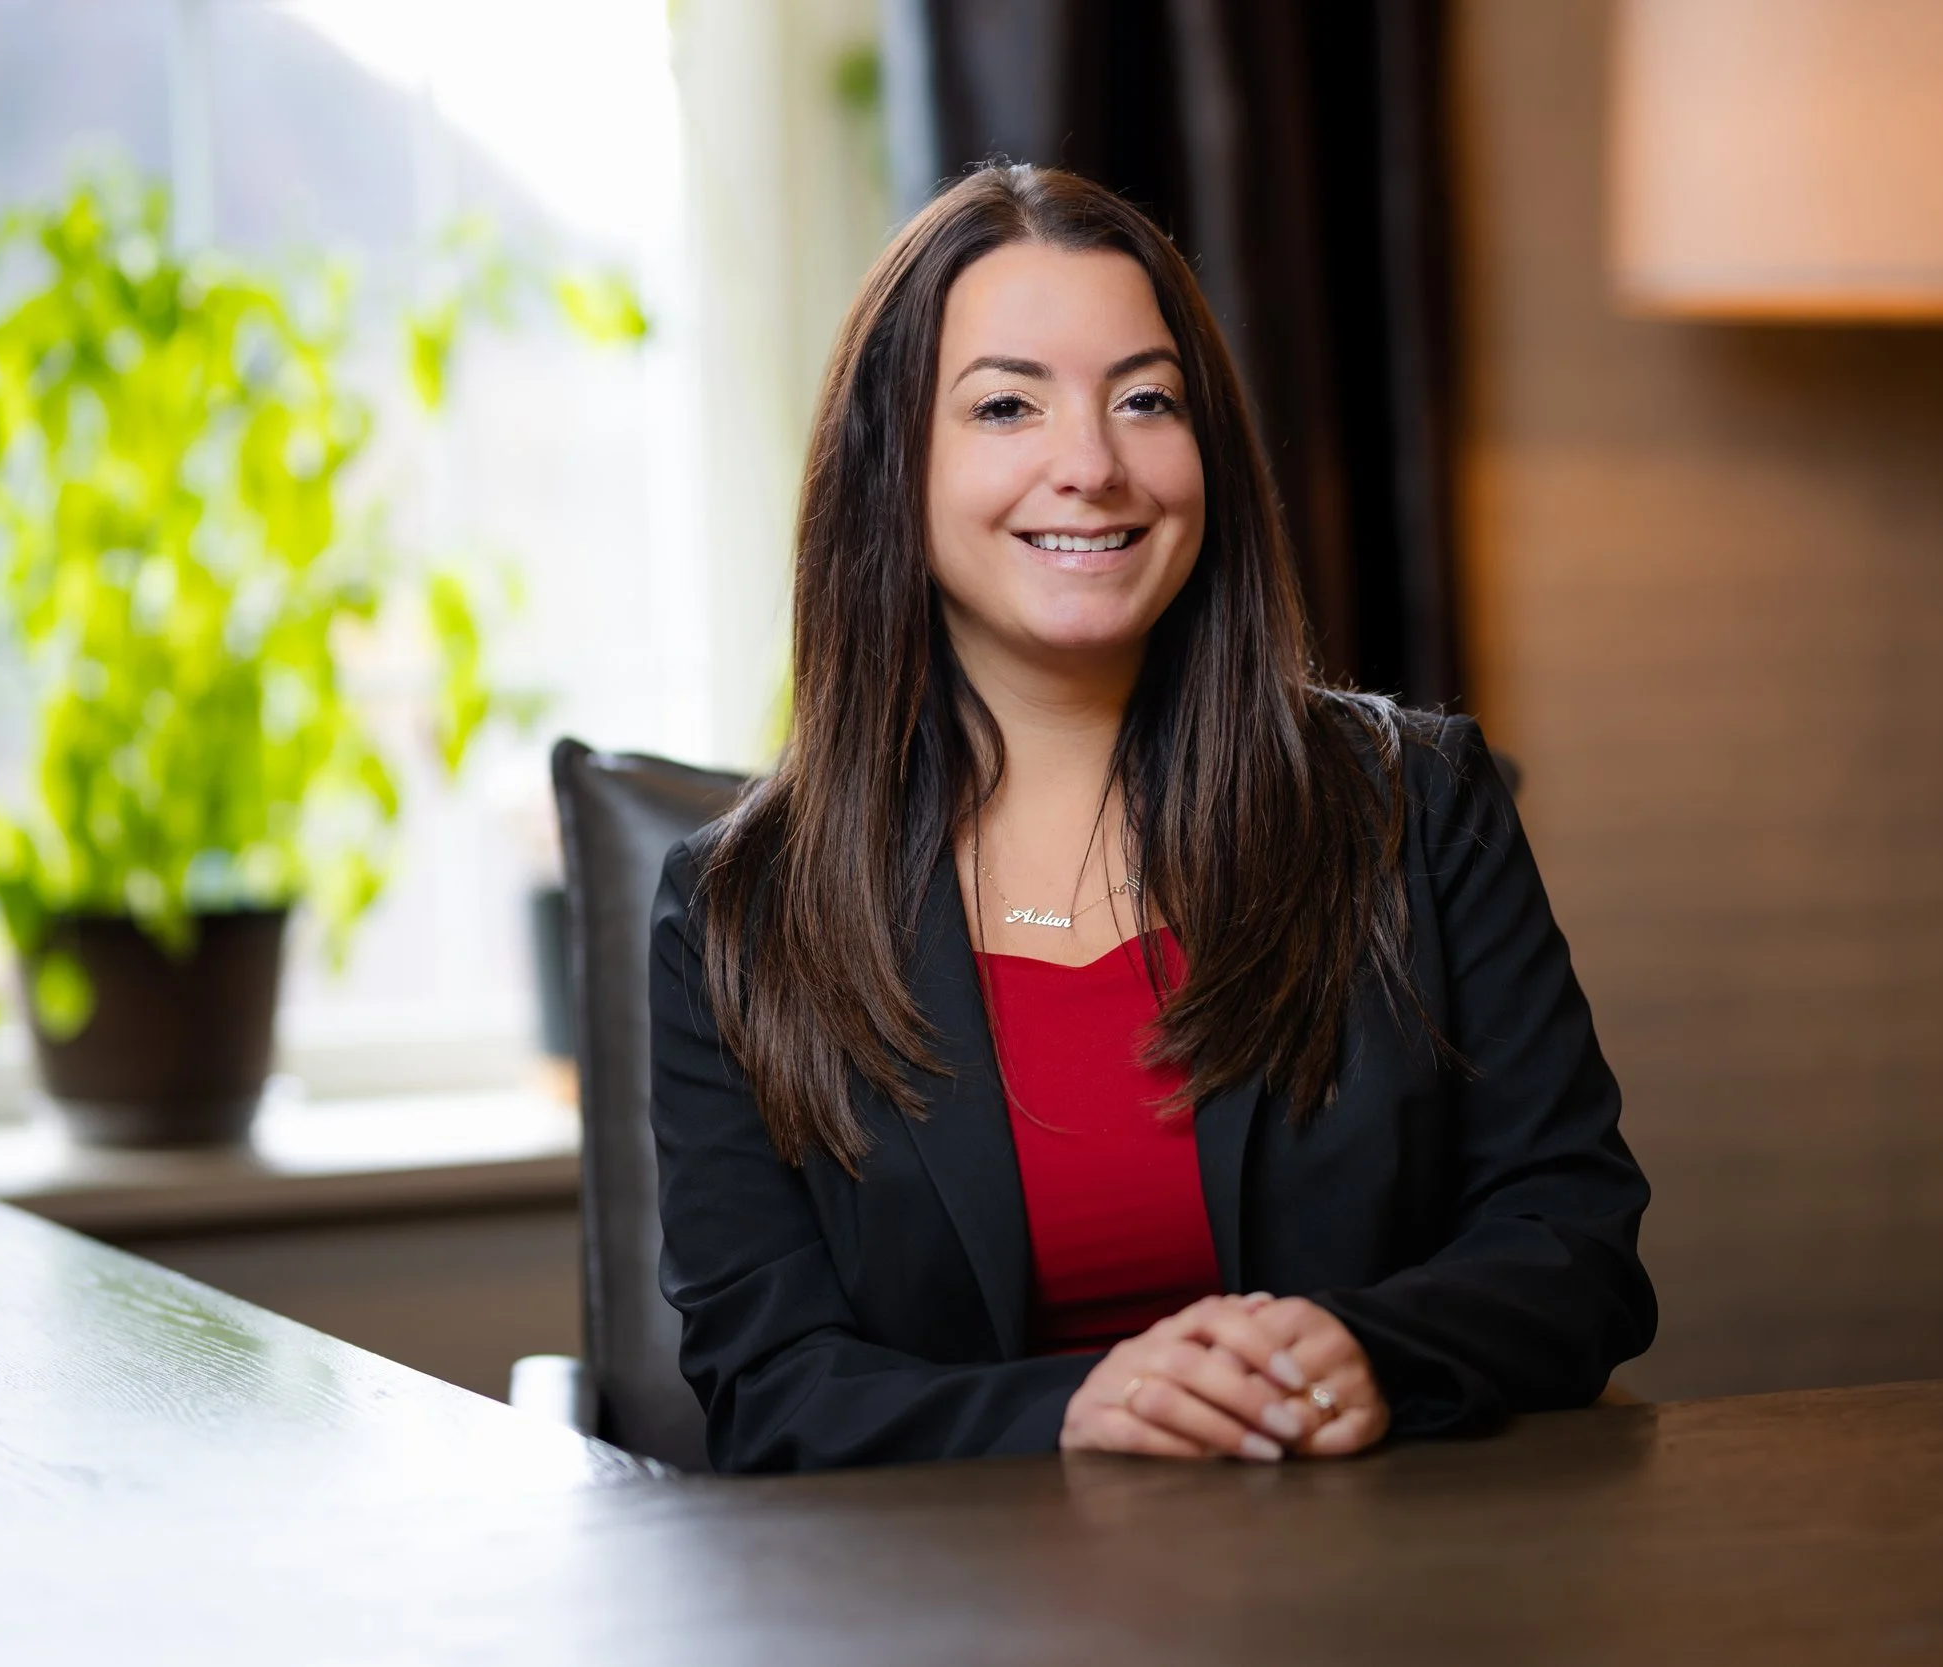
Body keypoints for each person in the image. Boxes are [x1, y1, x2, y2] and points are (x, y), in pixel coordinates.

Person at [650, 164, 1654, 1474]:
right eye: (1008, 404)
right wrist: (1070, 1413)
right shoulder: (739, 913)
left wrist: (1375, 1352)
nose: (1093, 464)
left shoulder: (1413, 807)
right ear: (890, 466)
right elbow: (769, 1385)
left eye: (1145, 399)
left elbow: (1576, 1242)